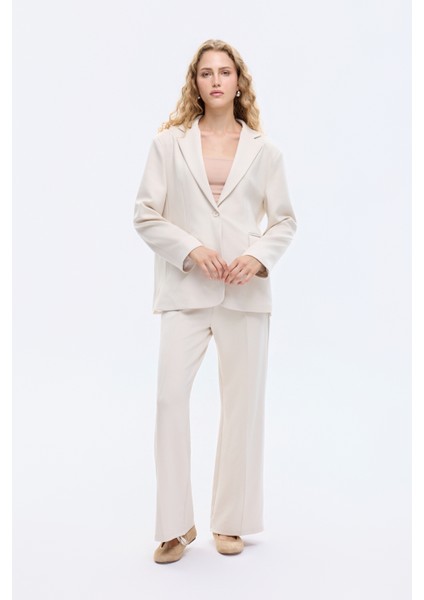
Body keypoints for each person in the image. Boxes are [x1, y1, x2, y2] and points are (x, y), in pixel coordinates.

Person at [133, 39, 297, 564]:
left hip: (245, 293)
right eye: (207, 73)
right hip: (185, 290)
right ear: (196, 83)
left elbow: (284, 220)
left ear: (239, 82)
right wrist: (191, 249)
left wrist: (257, 257)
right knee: (169, 400)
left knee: (242, 406)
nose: (217, 80)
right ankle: (173, 526)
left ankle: (231, 521)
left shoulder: (266, 152)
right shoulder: (168, 145)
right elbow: (145, 214)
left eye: (225, 72)